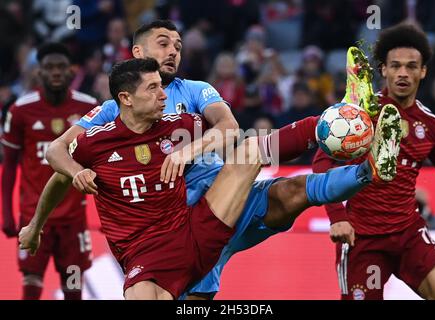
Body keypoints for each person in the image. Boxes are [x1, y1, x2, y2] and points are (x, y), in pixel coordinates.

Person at [21, 20, 399, 300]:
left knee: (292, 192)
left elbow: (230, 128)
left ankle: (358, 145)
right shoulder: (109, 113)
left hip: (219, 193)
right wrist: (75, 175)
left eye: (179, 45)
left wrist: (189, 149)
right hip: (176, 217)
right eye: (163, 43)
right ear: (137, 55)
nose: (173, 51)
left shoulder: (195, 93)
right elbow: (58, 153)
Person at [313, 23, 435, 300]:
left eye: (412, 66)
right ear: (383, 70)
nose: (403, 73)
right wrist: (337, 218)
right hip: (360, 237)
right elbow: (321, 164)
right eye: (395, 65)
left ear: (423, 71)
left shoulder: (431, 126)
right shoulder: (357, 117)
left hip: (409, 234)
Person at [1, 42, 97, 300]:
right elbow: (9, 166)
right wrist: (7, 214)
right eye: (49, 67)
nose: (55, 72)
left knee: (73, 282)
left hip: (73, 217)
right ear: (38, 72)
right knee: (31, 279)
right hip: (33, 216)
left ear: (72, 71)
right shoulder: (20, 109)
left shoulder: (90, 108)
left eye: (61, 67)